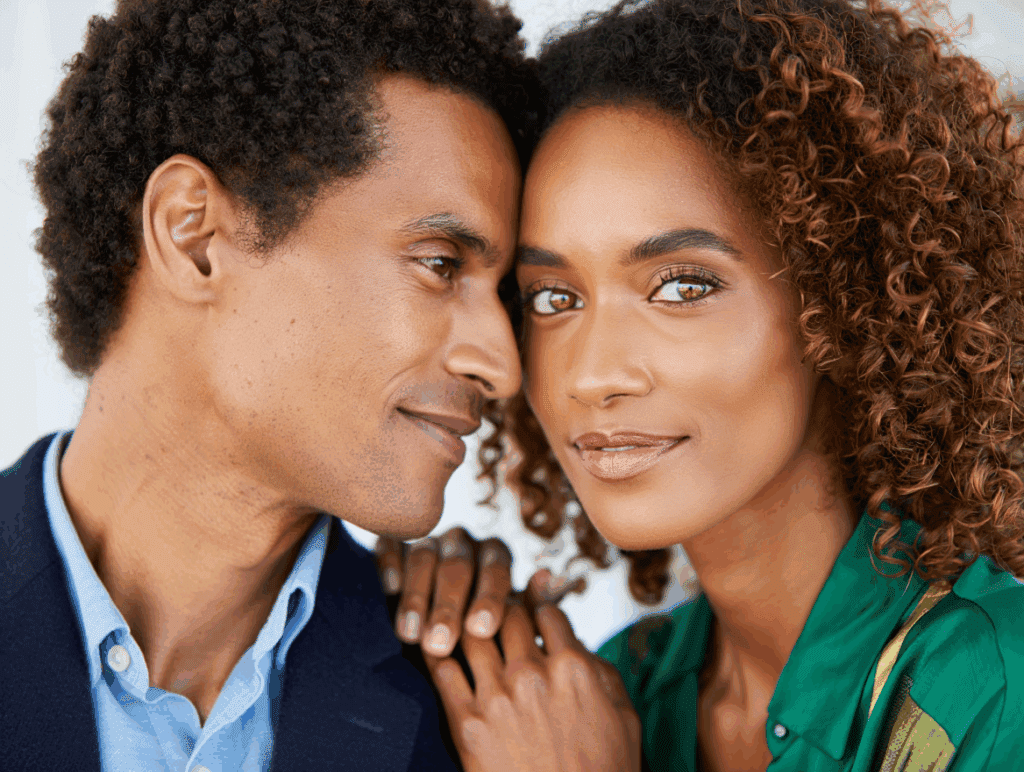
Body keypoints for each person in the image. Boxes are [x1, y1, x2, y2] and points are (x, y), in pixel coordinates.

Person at [378, 0, 1024, 770]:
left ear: (845, 301)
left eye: (683, 287)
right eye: (552, 298)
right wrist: (400, 618)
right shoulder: (613, 693)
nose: (593, 374)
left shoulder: (993, 686)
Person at [0, 0, 541, 769]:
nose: (503, 366)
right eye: (439, 263)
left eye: (506, 296)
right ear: (194, 236)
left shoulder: (496, 720)